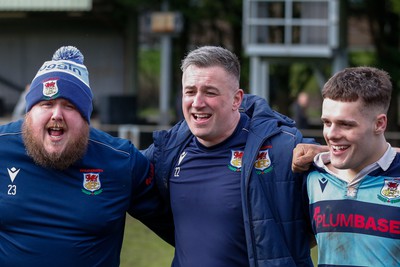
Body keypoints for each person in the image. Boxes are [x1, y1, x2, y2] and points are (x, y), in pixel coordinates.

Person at [0, 46, 173, 266]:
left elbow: (187, 232)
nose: (57, 115)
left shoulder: (121, 160)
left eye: (70, 106)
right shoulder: (2, 148)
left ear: (86, 119)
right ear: (29, 114)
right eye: (46, 104)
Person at [143, 46, 315, 266]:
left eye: (210, 92)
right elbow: (119, 163)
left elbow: (346, 171)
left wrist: (330, 154)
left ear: (237, 99)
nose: (197, 102)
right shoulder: (169, 150)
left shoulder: (282, 148)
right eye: (190, 91)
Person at [301, 66, 400, 266]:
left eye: (346, 124)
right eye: (327, 122)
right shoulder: (311, 175)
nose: (331, 134)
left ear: (379, 124)